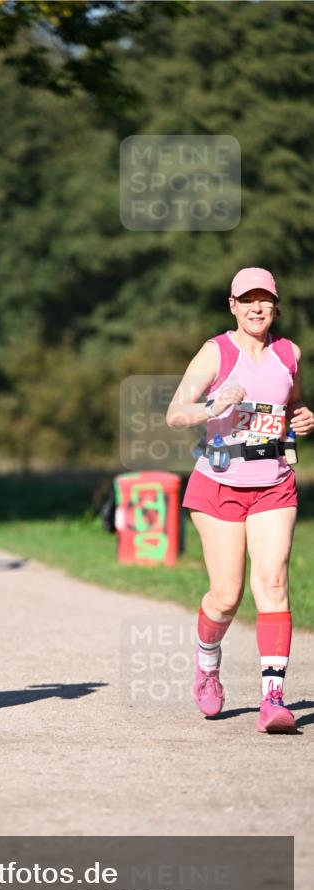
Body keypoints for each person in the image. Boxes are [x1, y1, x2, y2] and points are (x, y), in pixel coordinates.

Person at [166, 267, 313, 735]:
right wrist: (213, 405)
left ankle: (273, 699)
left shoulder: (289, 354)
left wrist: (303, 420)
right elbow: (175, 414)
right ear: (232, 305)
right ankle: (207, 664)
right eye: (246, 300)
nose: (256, 308)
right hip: (220, 484)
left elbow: (291, 410)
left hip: (274, 482)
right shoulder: (217, 352)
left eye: (264, 300)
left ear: (275, 305)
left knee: (272, 584)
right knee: (226, 596)